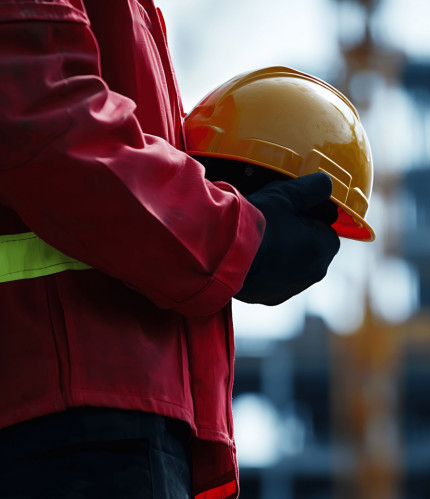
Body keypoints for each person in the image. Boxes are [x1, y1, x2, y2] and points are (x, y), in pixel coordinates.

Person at [0, 1, 351, 497]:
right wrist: (239, 236)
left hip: (97, 412)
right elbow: (44, 123)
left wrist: (214, 196)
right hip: (71, 419)